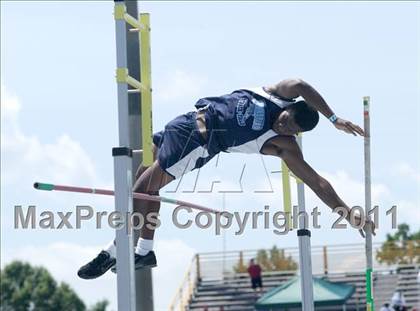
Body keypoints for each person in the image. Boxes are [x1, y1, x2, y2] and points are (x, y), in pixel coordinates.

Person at [77, 78, 376, 279]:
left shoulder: (282, 144)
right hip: (184, 123)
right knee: (144, 179)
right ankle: (145, 251)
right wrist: (334, 119)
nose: (282, 126)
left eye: (289, 129)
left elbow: (317, 182)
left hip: (198, 143)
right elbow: (300, 84)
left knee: (142, 191)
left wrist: (348, 214)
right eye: (284, 120)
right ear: (289, 107)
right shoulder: (276, 94)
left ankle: (114, 250)